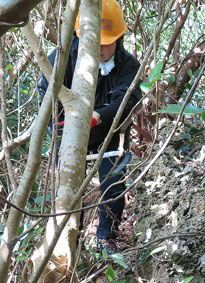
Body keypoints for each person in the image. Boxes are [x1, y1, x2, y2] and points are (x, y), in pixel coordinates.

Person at [38, 0, 142, 254]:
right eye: (97, 42)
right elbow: (46, 93)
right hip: (69, 131)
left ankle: (106, 238)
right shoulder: (61, 59)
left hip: (110, 133)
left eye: (108, 42)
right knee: (69, 188)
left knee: (113, 181)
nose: (102, 49)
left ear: (119, 38)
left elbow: (127, 102)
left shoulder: (128, 66)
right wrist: (60, 127)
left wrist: (96, 116)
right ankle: (71, 242)